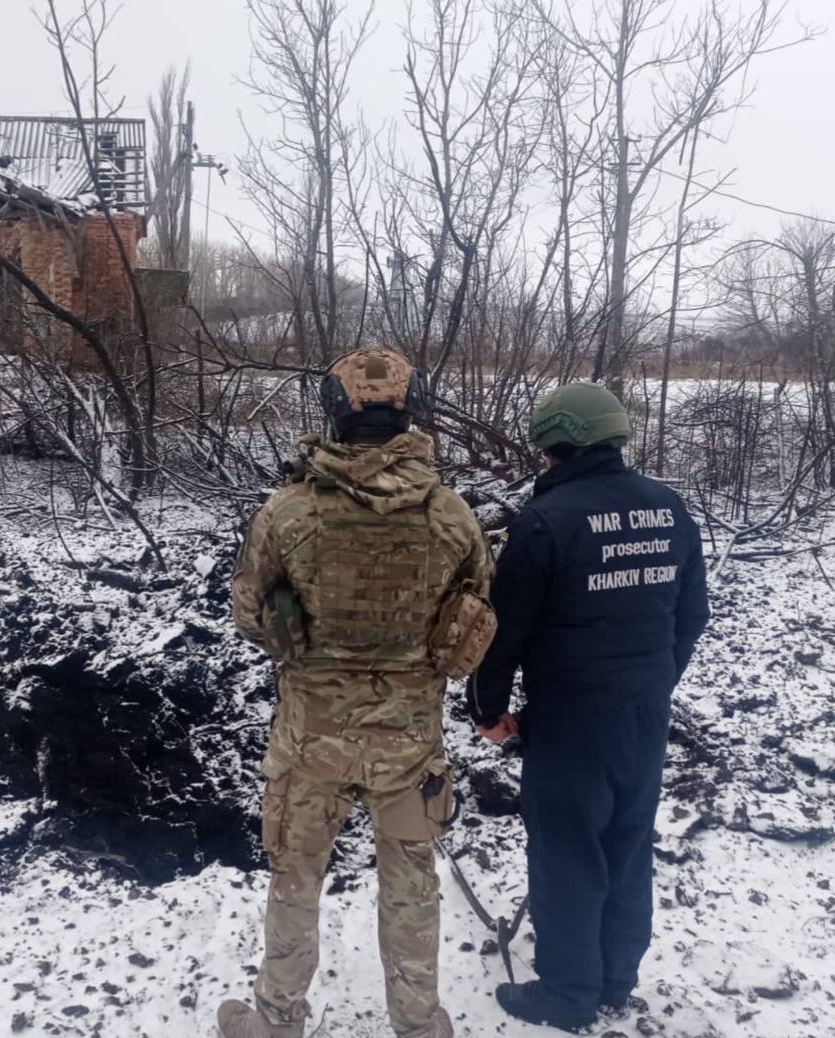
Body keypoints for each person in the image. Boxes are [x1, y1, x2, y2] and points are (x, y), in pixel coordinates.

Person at [219, 347, 493, 1038]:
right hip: (409, 741)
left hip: (312, 739)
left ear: (333, 412)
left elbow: (250, 613)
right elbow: (474, 614)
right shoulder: (453, 515)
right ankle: (421, 1025)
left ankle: (277, 1021)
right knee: (411, 887)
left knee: (296, 880)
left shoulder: (286, 511)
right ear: (412, 409)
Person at [470, 382, 710, 1033]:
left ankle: (568, 994)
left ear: (554, 445)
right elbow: (692, 616)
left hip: (570, 723)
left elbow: (503, 631)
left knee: (568, 852)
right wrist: (655, 684)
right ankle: (613, 980)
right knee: (627, 844)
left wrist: (488, 710)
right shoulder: (669, 508)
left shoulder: (546, 521)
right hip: (643, 719)